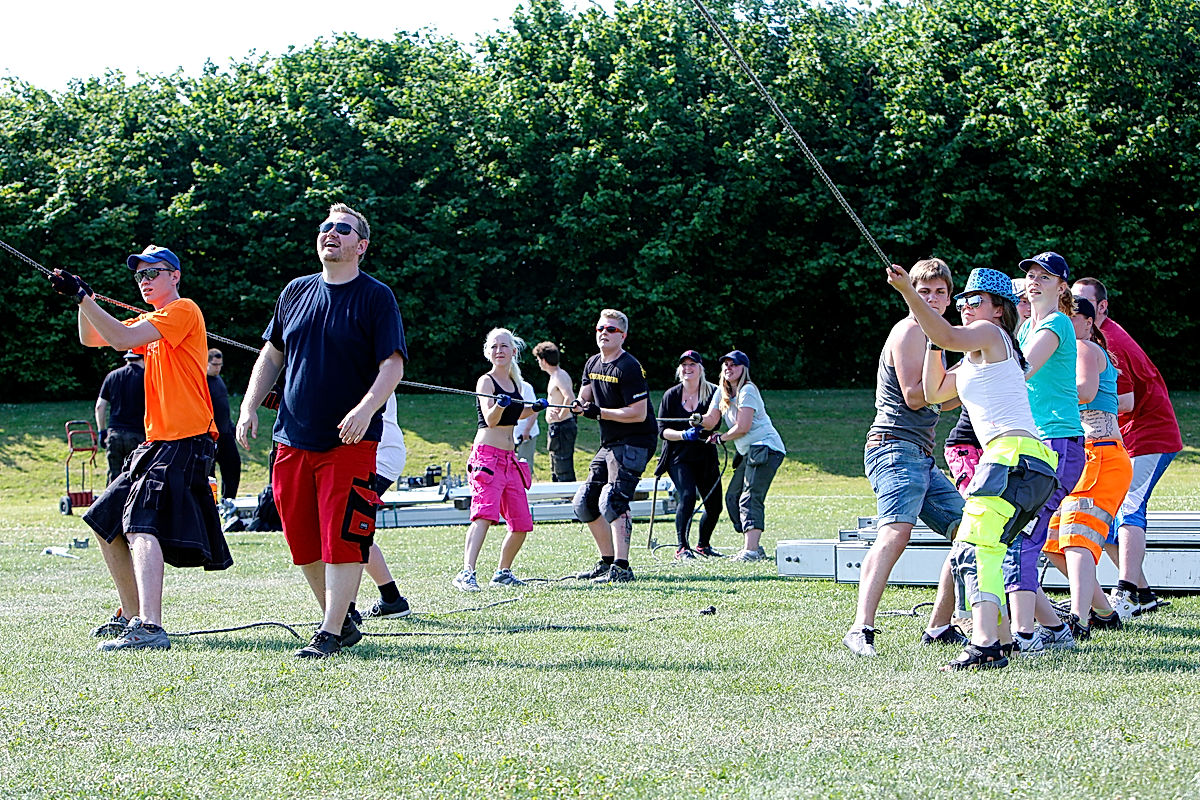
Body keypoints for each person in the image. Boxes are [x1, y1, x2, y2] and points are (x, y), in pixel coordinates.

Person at [236, 203, 407, 659]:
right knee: (302, 538)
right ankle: (342, 617)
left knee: (344, 536)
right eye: (326, 227)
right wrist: (250, 406)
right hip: (292, 436)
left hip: (349, 440)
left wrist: (367, 409)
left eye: (342, 229)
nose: (331, 233)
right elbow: (271, 355)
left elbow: (392, 364)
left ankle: (330, 630)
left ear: (361, 245)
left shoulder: (376, 297)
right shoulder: (294, 292)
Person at [51, 244, 232, 652]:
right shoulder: (150, 321)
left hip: (186, 439)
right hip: (156, 442)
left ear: (175, 277)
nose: (146, 281)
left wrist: (82, 296)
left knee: (139, 524)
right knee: (104, 521)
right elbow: (95, 338)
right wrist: (87, 301)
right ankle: (131, 614)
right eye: (140, 276)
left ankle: (151, 626)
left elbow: (121, 338)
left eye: (154, 273)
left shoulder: (183, 310)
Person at [891, 265, 1059, 670]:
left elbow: (947, 334)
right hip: (1029, 462)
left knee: (973, 547)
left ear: (998, 308)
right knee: (987, 549)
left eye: (975, 299)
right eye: (962, 300)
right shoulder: (973, 358)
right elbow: (932, 393)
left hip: (1011, 456)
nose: (966, 305)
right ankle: (998, 639)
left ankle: (984, 644)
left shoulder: (990, 333)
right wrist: (933, 342)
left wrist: (909, 295)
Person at [839, 259, 965, 657]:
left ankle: (940, 627)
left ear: (949, 297)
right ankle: (860, 629)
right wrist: (971, 369)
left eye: (940, 292)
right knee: (896, 531)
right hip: (893, 447)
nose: (932, 298)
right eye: (923, 290)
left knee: (968, 533)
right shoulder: (912, 332)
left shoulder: (935, 336)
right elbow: (915, 396)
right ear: (911, 291)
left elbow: (940, 401)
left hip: (920, 455)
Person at [1073, 276, 1182, 618]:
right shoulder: (1096, 338)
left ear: (1100, 309)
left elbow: (1128, 400)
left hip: (1149, 434)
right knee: (1107, 515)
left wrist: (1081, 402)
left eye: (1083, 304)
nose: (1074, 309)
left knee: (1130, 509)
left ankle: (1126, 594)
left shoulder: (1107, 344)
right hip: (1127, 437)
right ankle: (1144, 594)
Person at [1010, 251, 1087, 654]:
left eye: (1045, 276)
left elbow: (1021, 368)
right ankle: (1056, 631)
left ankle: (1024, 635)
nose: (1035, 281)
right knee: (1017, 535)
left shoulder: (1057, 323)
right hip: (1036, 444)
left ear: (1062, 288)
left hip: (1060, 444)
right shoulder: (1026, 326)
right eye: (1031, 275)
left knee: (1023, 536)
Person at [1041, 297, 1128, 637]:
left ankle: (1078, 620)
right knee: (1053, 544)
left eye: (1071, 317)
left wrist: (1043, 390)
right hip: (1083, 456)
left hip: (1101, 454)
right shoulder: (1070, 351)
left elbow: (1087, 391)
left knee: (1076, 536)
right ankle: (1104, 613)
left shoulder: (1085, 348)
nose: (1064, 324)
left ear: (1089, 322)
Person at [453, 328, 545, 591]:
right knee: (483, 515)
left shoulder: (516, 384)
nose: (499, 351)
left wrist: (533, 408)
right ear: (488, 352)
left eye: (504, 346)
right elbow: (492, 418)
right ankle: (466, 573)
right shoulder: (486, 382)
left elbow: (515, 415)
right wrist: (501, 404)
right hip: (487, 458)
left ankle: (503, 572)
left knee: (521, 523)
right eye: (494, 347)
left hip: (509, 459)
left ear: (513, 351)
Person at [571, 309, 658, 584]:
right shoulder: (592, 363)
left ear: (623, 335)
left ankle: (622, 568)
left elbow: (639, 413)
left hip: (636, 440)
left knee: (614, 500)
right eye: (600, 329)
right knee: (585, 502)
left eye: (611, 330)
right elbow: (584, 399)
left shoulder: (629, 367)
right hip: (609, 442)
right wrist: (574, 406)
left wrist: (601, 413)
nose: (604, 334)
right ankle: (606, 562)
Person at [693, 350, 787, 564]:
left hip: (766, 447)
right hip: (749, 452)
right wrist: (698, 420)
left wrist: (722, 438)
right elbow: (711, 419)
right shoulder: (722, 393)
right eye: (725, 365)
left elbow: (743, 427)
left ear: (743, 368)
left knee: (750, 496)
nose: (728, 368)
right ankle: (754, 545)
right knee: (733, 497)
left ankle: (751, 550)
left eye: (733, 365)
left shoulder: (748, 390)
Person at [656, 350, 723, 560]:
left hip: (705, 455)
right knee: (687, 496)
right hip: (679, 456)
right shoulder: (671, 395)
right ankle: (682, 548)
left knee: (714, 505)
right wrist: (683, 435)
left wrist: (702, 424)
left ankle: (703, 545)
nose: (688, 369)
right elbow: (662, 430)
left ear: (700, 368)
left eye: (692, 364)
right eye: (684, 365)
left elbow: (715, 422)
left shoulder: (713, 392)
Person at [358, 392, 412, 619]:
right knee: (353, 533)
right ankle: (391, 599)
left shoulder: (365, 362)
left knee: (351, 532)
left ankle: (349, 609)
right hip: (371, 454)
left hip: (378, 456)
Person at [95, 351, 145, 485]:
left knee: (114, 478)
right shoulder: (146, 377)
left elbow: (100, 406)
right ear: (143, 358)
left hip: (114, 434)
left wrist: (102, 432)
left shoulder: (112, 376)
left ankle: (111, 505)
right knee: (137, 478)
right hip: (138, 435)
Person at [534, 342, 577, 482]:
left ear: (544, 360)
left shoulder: (559, 375)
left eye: (539, 359)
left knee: (562, 466)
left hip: (562, 428)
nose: (538, 363)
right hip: (557, 428)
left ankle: (567, 499)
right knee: (555, 466)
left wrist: (560, 415)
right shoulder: (554, 376)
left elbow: (570, 397)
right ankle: (561, 497)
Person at [205, 348, 241, 499]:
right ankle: (211, 505)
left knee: (233, 466)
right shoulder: (202, 381)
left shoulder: (219, 379)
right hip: (210, 434)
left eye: (220, 365)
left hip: (225, 433)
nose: (218, 368)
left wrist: (232, 428)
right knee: (209, 473)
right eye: (214, 365)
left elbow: (223, 408)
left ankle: (229, 500)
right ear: (206, 363)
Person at [514, 379, 540, 471]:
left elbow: (534, 411)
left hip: (526, 434)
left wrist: (527, 430)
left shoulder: (526, 387)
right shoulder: (501, 386)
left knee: (525, 465)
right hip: (509, 434)